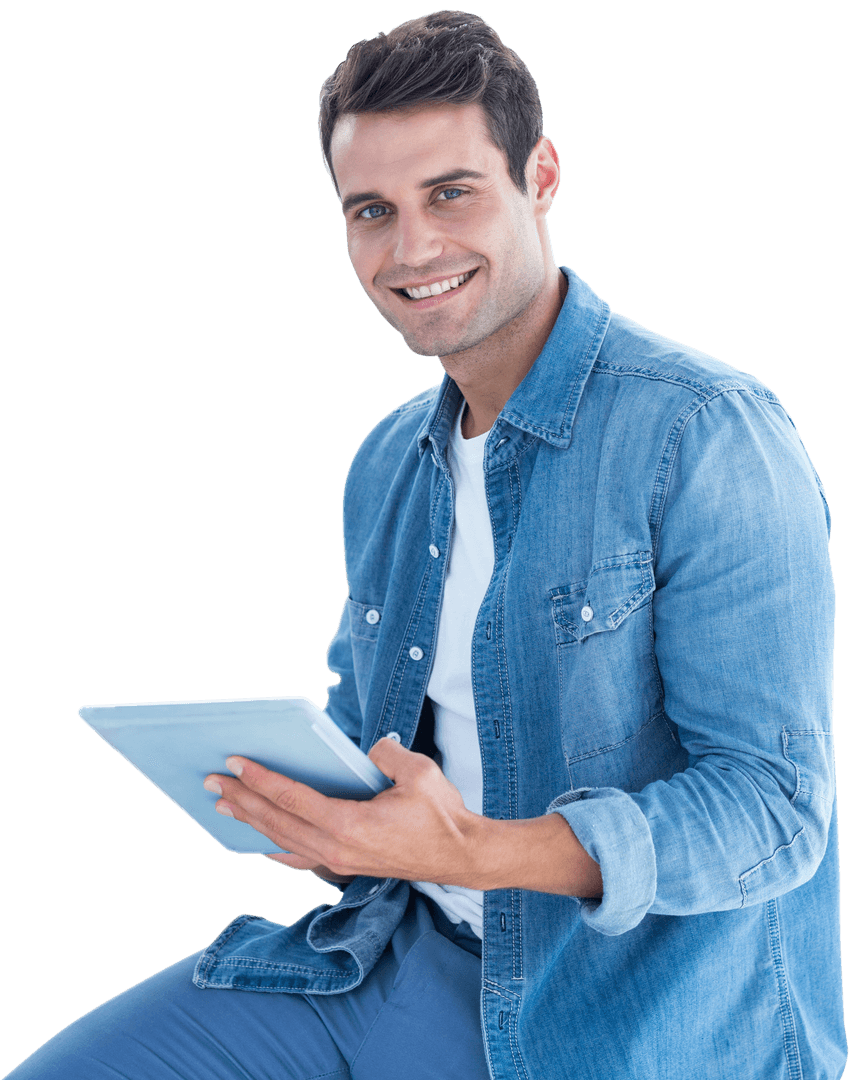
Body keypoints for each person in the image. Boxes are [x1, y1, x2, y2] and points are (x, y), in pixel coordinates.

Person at [6, 10, 843, 1080]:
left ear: (539, 176)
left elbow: (773, 813)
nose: (411, 249)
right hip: (399, 956)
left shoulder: (706, 431)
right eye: (371, 211)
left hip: (627, 1021)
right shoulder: (391, 460)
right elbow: (381, 729)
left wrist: (471, 851)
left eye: (451, 193)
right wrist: (321, 814)